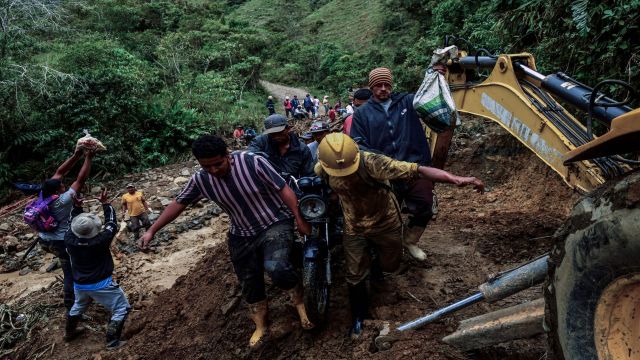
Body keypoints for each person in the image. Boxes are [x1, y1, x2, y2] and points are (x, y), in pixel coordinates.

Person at [139, 135, 314, 348]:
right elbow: (178, 204)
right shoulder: (200, 179)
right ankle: (260, 323)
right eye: (207, 166)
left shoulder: (253, 162)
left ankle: (300, 303)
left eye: (218, 164)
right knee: (249, 280)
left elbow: (283, 189)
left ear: (228, 156)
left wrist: (299, 218)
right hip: (240, 232)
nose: (213, 170)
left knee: (275, 266)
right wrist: (152, 231)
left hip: (274, 221)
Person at [315, 133, 484, 337]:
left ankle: (377, 265)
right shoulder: (323, 169)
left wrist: (456, 179)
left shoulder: (372, 163)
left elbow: (417, 170)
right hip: (355, 226)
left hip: (386, 222)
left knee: (391, 265)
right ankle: (359, 317)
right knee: (354, 274)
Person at [350, 66, 445, 261]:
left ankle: (409, 239)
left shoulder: (408, 102)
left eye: (386, 85)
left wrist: (435, 74)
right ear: (372, 87)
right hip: (384, 172)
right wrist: (381, 161)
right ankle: (386, 250)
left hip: (415, 166)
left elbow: (429, 96)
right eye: (378, 85)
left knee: (425, 205)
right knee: (383, 215)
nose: (383, 88)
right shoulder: (362, 113)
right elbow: (359, 143)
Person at [64, 189, 131, 349]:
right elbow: (112, 224)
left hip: (79, 283)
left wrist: (76, 207)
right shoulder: (100, 241)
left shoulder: (69, 239)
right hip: (102, 284)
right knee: (122, 308)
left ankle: (69, 333)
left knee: (78, 306)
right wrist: (106, 204)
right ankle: (112, 341)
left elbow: (70, 223)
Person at [38, 147, 95, 312]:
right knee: (71, 271)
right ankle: (72, 305)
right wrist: (89, 158)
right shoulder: (62, 200)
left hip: (45, 240)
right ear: (58, 190)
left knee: (69, 265)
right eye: (62, 185)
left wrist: (76, 155)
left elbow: (59, 172)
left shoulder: (43, 193)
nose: (64, 185)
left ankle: (80, 296)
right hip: (60, 242)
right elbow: (81, 179)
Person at [248, 114, 315, 178]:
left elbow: (309, 174)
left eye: (279, 132)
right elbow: (249, 159)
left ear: (288, 129)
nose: (276, 136)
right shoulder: (260, 142)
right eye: (272, 134)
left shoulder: (302, 149)